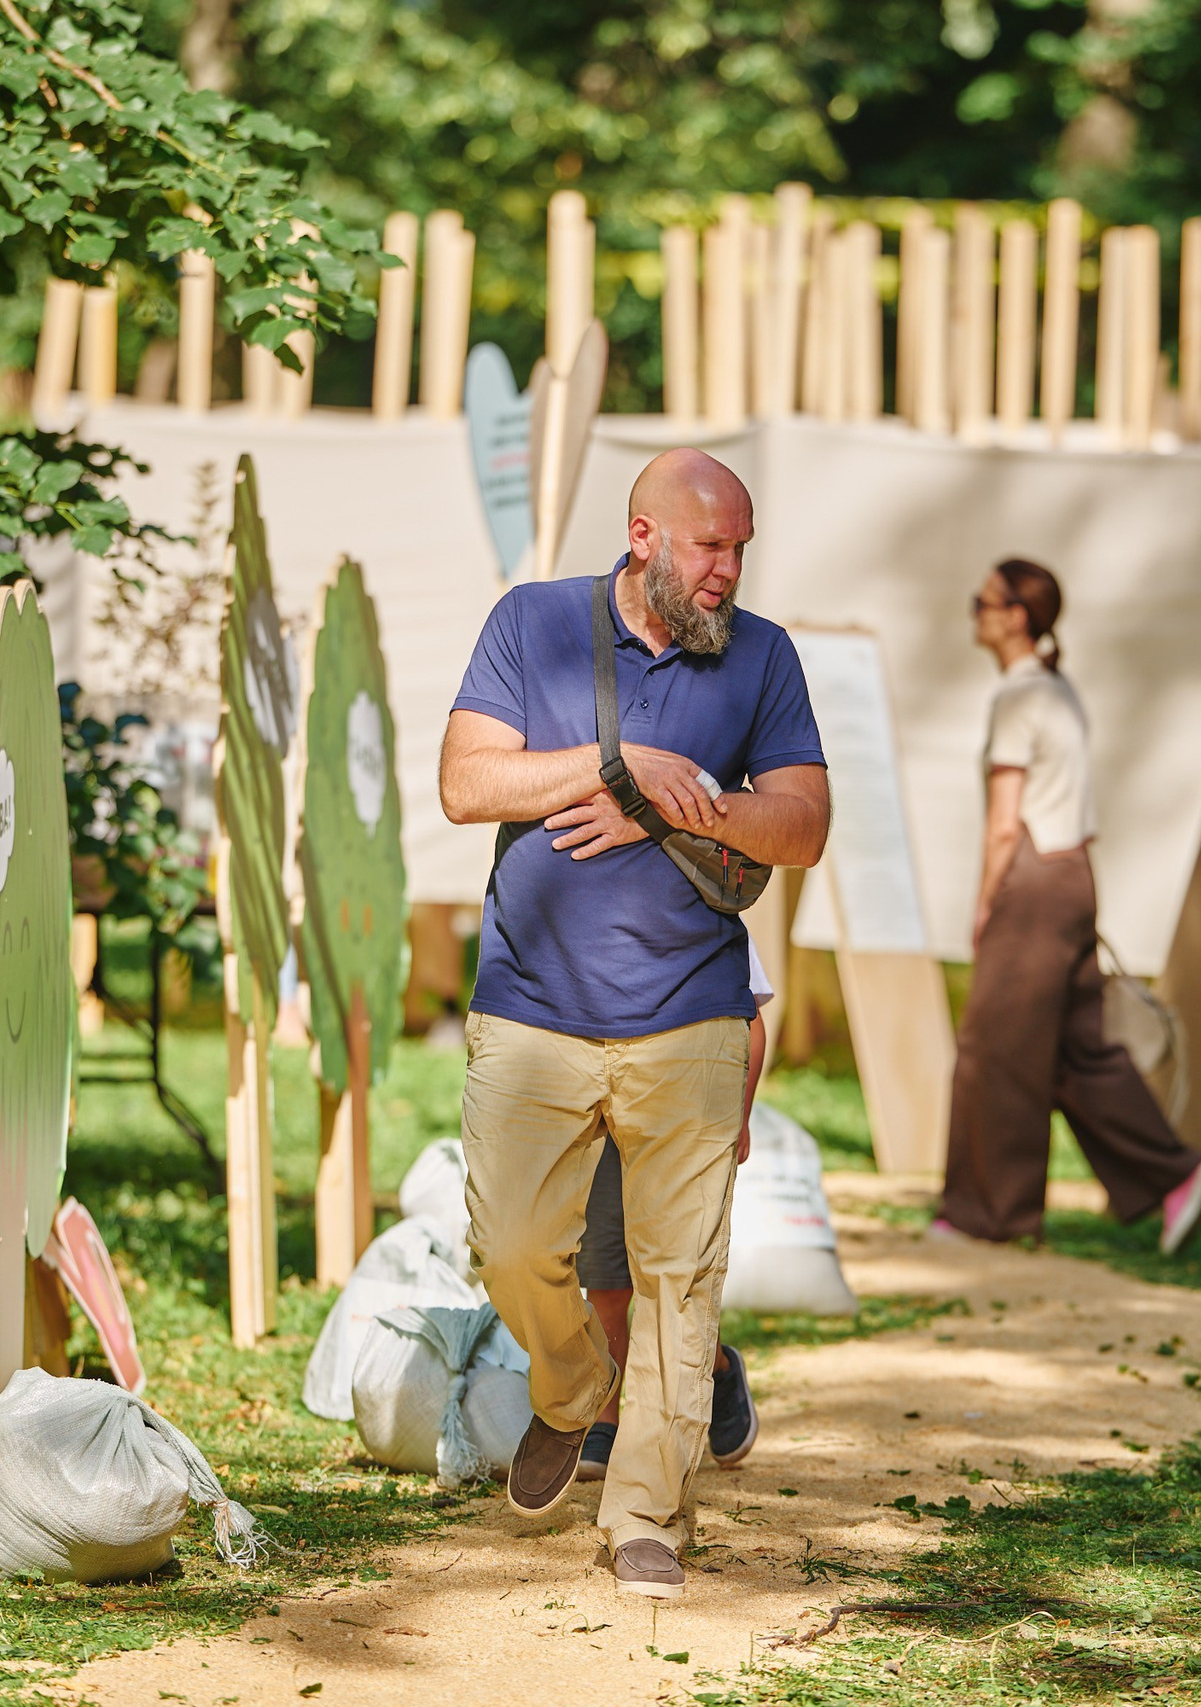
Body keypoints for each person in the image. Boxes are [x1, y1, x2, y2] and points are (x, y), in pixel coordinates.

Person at [438, 449, 829, 1601]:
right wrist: (618, 769)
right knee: (510, 1248)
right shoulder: (532, 623)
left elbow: (801, 825)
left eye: (742, 548)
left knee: (679, 1273)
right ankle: (571, 1394)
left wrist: (677, 800)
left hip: (691, 1013)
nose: (729, 571)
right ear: (643, 536)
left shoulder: (764, 656)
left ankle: (647, 1508)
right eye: (710, 547)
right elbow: (469, 784)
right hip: (531, 1006)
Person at [935, 559, 1201, 1253]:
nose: (973, 609)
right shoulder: (1059, 690)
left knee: (991, 1049)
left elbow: (1005, 821)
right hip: (1074, 877)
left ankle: (989, 1216)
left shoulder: (1017, 698)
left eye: (984, 600)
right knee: (1076, 1055)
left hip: (1031, 884)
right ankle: (1176, 1176)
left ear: (1016, 617)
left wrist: (983, 905)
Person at [576, 940, 773, 1484]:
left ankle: (718, 1371)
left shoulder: (704, 896)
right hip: (602, 1119)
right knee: (606, 1282)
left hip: (684, 1111)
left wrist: (740, 1111)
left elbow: (749, 1019)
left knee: (674, 1280)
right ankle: (608, 1417)